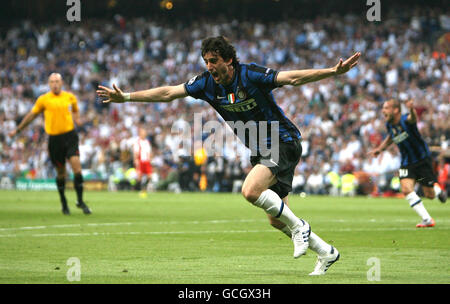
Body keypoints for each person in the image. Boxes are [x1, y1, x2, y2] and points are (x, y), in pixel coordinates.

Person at [97, 36, 360, 275]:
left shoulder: (250, 75)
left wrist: (332, 71)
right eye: (206, 61)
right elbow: (168, 93)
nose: (209, 66)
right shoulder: (205, 84)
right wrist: (128, 97)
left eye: (214, 61)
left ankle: (301, 227)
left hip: (282, 141)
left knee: (250, 191)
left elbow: (292, 78)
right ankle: (327, 252)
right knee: (276, 219)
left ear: (229, 60)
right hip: (260, 150)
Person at [9, 73, 91, 215]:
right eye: (52, 81)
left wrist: (78, 120)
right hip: (54, 140)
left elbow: (76, 112)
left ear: (62, 82)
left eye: (57, 81)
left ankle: (80, 201)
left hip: (70, 137)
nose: (55, 84)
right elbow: (31, 115)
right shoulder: (44, 100)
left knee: (77, 168)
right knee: (61, 173)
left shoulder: (70, 97)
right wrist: (18, 129)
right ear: (48, 84)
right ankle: (64, 202)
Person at [368, 99, 447, 227]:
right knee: (406, 189)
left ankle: (437, 191)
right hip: (406, 162)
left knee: (430, 195)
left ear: (396, 110)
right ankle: (427, 219)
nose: (383, 111)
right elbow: (391, 136)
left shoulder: (406, 120)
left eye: (386, 108)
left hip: (422, 160)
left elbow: (413, 118)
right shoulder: (389, 124)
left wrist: (411, 109)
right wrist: (380, 149)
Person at [134, 127, 153, 198]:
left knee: (149, 176)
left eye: (145, 133)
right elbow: (136, 152)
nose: (144, 134)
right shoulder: (138, 142)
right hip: (140, 161)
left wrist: (150, 159)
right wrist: (136, 160)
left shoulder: (147, 142)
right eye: (143, 133)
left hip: (147, 161)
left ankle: (142, 190)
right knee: (139, 177)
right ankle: (137, 189)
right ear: (140, 134)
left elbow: (149, 152)